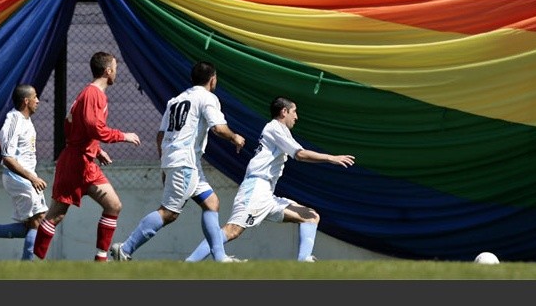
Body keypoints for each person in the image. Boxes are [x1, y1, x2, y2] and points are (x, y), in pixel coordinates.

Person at [184, 96, 355, 262]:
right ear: (284, 112)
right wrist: (331, 158)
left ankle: (304, 261)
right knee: (232, 231)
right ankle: (189, 264)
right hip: (256, 189)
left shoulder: (280, 131)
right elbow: (300, 155)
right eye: (294, 112)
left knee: (310, 216)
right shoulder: (275, 128)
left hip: (267, 193)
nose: (297, 116)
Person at [110, 61, 246, 262]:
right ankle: (126, 249)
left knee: (211, 203)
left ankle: (220, 258)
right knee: (169, 213)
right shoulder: (207, 97)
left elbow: (160, 135)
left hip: (182, 160)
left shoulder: (176, 100)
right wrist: (235, 137)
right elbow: (218, 128)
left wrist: (165, 163)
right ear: (213, 79)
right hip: (185, 161)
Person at [32, 51, 141, 261]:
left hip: (84, 161)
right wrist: (123, 136)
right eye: (115, 69)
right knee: (56, 215)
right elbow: (94, 127)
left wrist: (97, 150)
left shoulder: (87, 94)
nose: (116, 72)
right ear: (108, 71)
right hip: (76, 163)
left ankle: (100, 259)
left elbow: (73, 127)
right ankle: (34, 261)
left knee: (113, 205)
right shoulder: (94, 94)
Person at [0, 84, 48, 260]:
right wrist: (32, 178)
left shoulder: (25, 120)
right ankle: (26, 269)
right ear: (26, 101)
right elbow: (7, 157)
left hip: (25, 177)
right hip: (19, 178)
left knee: (31, 225)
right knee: (39, 220)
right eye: (35, 97)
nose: (38, 100)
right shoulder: (13, 121)